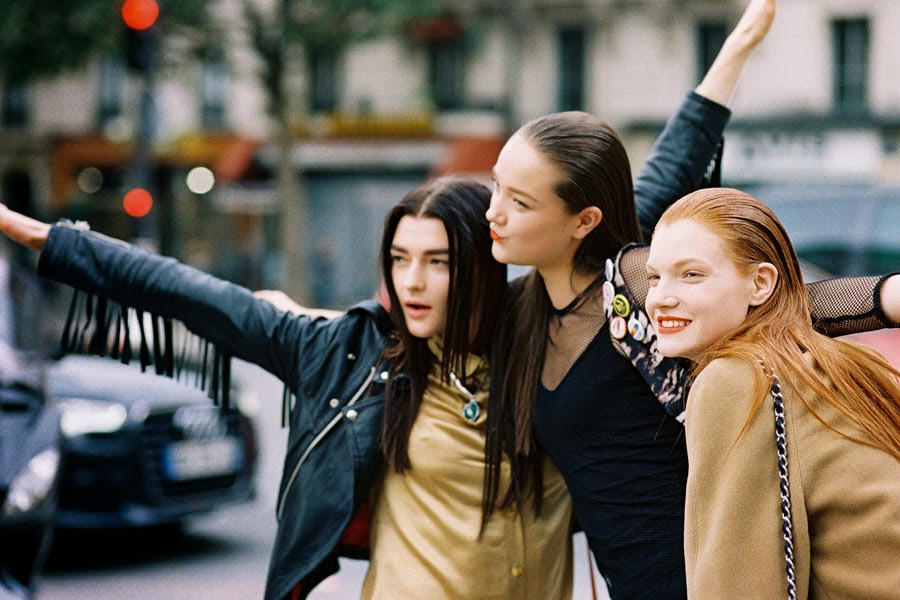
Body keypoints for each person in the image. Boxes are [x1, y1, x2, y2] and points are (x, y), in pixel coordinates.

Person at [485, 0, 900, 597]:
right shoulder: (517, 312)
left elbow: (774, 302)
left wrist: (887, 297)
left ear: (584, 219)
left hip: (714, 571)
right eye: (497, 186)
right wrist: (736, 47)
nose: (494, 210)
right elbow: (676, 155)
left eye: (520, 201)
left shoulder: (632, 284)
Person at [0, 177, 573, 600]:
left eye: (439, 261)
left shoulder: (548, 352)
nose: (412, 281)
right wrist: (44, 237)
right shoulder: (347, 355)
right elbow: (186, 291)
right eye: (399, 259)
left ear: (484, 265)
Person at [645, 187, 900, 599]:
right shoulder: (832, 357)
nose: (661, 298)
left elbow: (737, 586)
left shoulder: (734, 379)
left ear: (761, 283)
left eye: (691, 274)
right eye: (654, 277)